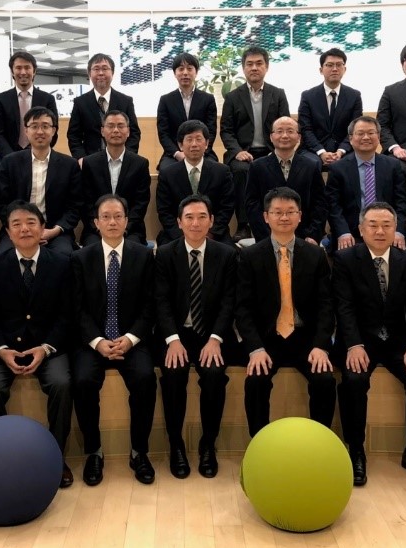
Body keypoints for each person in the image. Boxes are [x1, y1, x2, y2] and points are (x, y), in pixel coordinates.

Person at [332, 202, 406, 487]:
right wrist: (353, 344)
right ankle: (355, 450)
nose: (380, 231)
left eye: (387, 225)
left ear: (395, 229)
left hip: (398, 342)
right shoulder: (344, 260)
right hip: (359, 340)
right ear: (361, 229)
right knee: (353, 381)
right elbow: (343, 307)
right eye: (373, 225)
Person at [0, 201, 74, 489]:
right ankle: (1, 460)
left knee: (61, 384)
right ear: (8, 232)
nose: (24, 229)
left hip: (48, 347)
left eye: (31, 222)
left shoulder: (62, 263)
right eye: (17, 224)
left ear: (43, 228)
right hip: (4, 349)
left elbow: (67, 314)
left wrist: (46, 348)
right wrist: (1, 350)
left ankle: (56, 457)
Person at [235, 187, 336, 437]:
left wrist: (321, 346)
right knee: (256, 380)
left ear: (300, 216)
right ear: (265, 217)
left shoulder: (315, 254)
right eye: (277, 212)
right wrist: (255, 348)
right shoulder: (250, 256)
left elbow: (326, 305)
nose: (284, 217)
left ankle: (321, 442)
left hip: (305, 338)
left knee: (325, 379)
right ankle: (259, 442)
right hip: (267, 338)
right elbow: (243, 308)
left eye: (290, 212)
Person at [71, 194, 157, 486]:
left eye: (117, 216)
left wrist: (130, 339)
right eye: (105, 217)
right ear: (96, 223)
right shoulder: (80, 258)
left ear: (127, 221)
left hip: (132, 339)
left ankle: (139, 451)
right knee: (83, 381)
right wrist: (97, 341)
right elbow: (77, 308)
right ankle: (93, 452)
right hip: (93, 341)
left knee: (145, 378)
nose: (112, 222)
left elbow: (150, 306)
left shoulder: (143, 255)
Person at [154, 195, 235, 479]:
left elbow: (229, 302)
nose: (195, 223)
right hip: (176, 334)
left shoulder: (226, 254)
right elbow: (161, 301)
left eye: (202, 217)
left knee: (214, 375)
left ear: (211, 221)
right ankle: (176, 444)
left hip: (211, 334)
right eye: (189, 217)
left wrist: (215, 338)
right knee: (173, 375)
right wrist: (172, 339)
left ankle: (208, 444)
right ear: (179, 222)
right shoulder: (165, 254)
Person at [219, 46, 291, 241]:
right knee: (240, 170)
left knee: (277, 168)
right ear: (243, 68)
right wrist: (237, 151)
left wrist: (278, 150)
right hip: (244, 152)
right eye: (249, 64)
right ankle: (243, 225)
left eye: (259, 63)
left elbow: (285, 127)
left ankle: (276, 221)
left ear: (266, 67)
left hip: (271, 151)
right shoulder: (233, 97)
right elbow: (226, 130)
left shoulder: (278, 94)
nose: (254, 68)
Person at [0, 106, 82, 256]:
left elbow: (75, 206)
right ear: (26, 130)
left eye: (45, 126)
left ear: (53, 131)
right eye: (34, 126)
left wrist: (54, 231)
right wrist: (22, 228)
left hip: (55, 231)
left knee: (64, 256)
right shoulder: (9, 163)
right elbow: (1, 203)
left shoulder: (69, 165)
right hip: (17, 230)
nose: (40, 131)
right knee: (4, 257)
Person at [326, 116, 406, 251]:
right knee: (346, 255)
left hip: (386, 231)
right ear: (351, 138)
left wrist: (398, 231)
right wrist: (343, 232)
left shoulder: (393, 166)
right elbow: (333, 206)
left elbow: (402, 203)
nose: (366, 137)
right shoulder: (338, 168)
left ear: (379, 137)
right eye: (360, 133)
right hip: (351, 233)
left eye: (371, 133)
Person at [245, 116, 327, 244]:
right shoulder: (257, 166)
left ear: (299, 137)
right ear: (271, 137)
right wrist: (266, 238)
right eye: (279, 131)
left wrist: (313, 235)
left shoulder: (311, 166)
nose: (284, 136)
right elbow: (252, 205)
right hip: (268, 238)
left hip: (304, 238)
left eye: (290, 131)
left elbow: (320, 203)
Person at [156, 119, 234, 246]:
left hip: (214, 234)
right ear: (180, 145)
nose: (194, 144)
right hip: (177, 234)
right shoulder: (167, 174)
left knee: (230, 252)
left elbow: (226, 208)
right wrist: (185, 236)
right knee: (165, 252)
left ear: (207, 143)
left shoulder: (222, 172)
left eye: (198, 139)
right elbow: (164, 211)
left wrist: (210, 233)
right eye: (189, 139)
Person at [80, 110, 151, 246]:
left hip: (130, 230)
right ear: (102, 131)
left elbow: (141, 203)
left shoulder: (140, 164)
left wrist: (125, 228)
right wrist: (99, 228)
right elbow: (86, 203)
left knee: (132, 249)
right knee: (93, 249)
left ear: (128, 131)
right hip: (96, 231)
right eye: (111, 126)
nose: (116, 130)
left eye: (120, 126)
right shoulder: (89, 163)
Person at [67, 53, 141, 162]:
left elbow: (134, 133)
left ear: (112, 72)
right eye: (96, 69)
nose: (101, 73)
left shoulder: (126, 101)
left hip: (120, 159)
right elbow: (73, 135)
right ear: (89, 73)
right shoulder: (80, 102)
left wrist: (127, 157)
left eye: (105, 69)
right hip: (89, 161)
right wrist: (81, 158)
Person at [0, 51, 59, 165]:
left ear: (34, 71)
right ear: (12, 71)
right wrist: (13, 157)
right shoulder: (1, 99)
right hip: (6, 157)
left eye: (27, 67)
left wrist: (35, 153)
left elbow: (53, 131)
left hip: (39, 156)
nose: (23, 72)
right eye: (18, 68)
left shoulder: (48, 99)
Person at [297, 47, 363, 166]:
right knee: (311, 163)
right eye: (330, 65)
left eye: (339, 65)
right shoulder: (308, 96)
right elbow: (306, 129)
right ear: (321, 70)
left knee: (351, 161)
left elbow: (355, 129)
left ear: (344, 69)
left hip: (345, 149)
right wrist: (321, 152)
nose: (335, 69)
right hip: (314, 150)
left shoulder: (354, 96)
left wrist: (341, 151)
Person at [155, 52, 218, 171]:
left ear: (196, 72)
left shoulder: (208, 99)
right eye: (181, 69)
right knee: (166, 170)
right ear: (175, 73)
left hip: (203, 153)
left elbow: (211, 131)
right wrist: (177, 153)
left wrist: (200, 151)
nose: (185, 73)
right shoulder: (166, 100)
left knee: (215, 169)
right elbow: (163, 133)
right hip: (174, 154)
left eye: (189, 69)